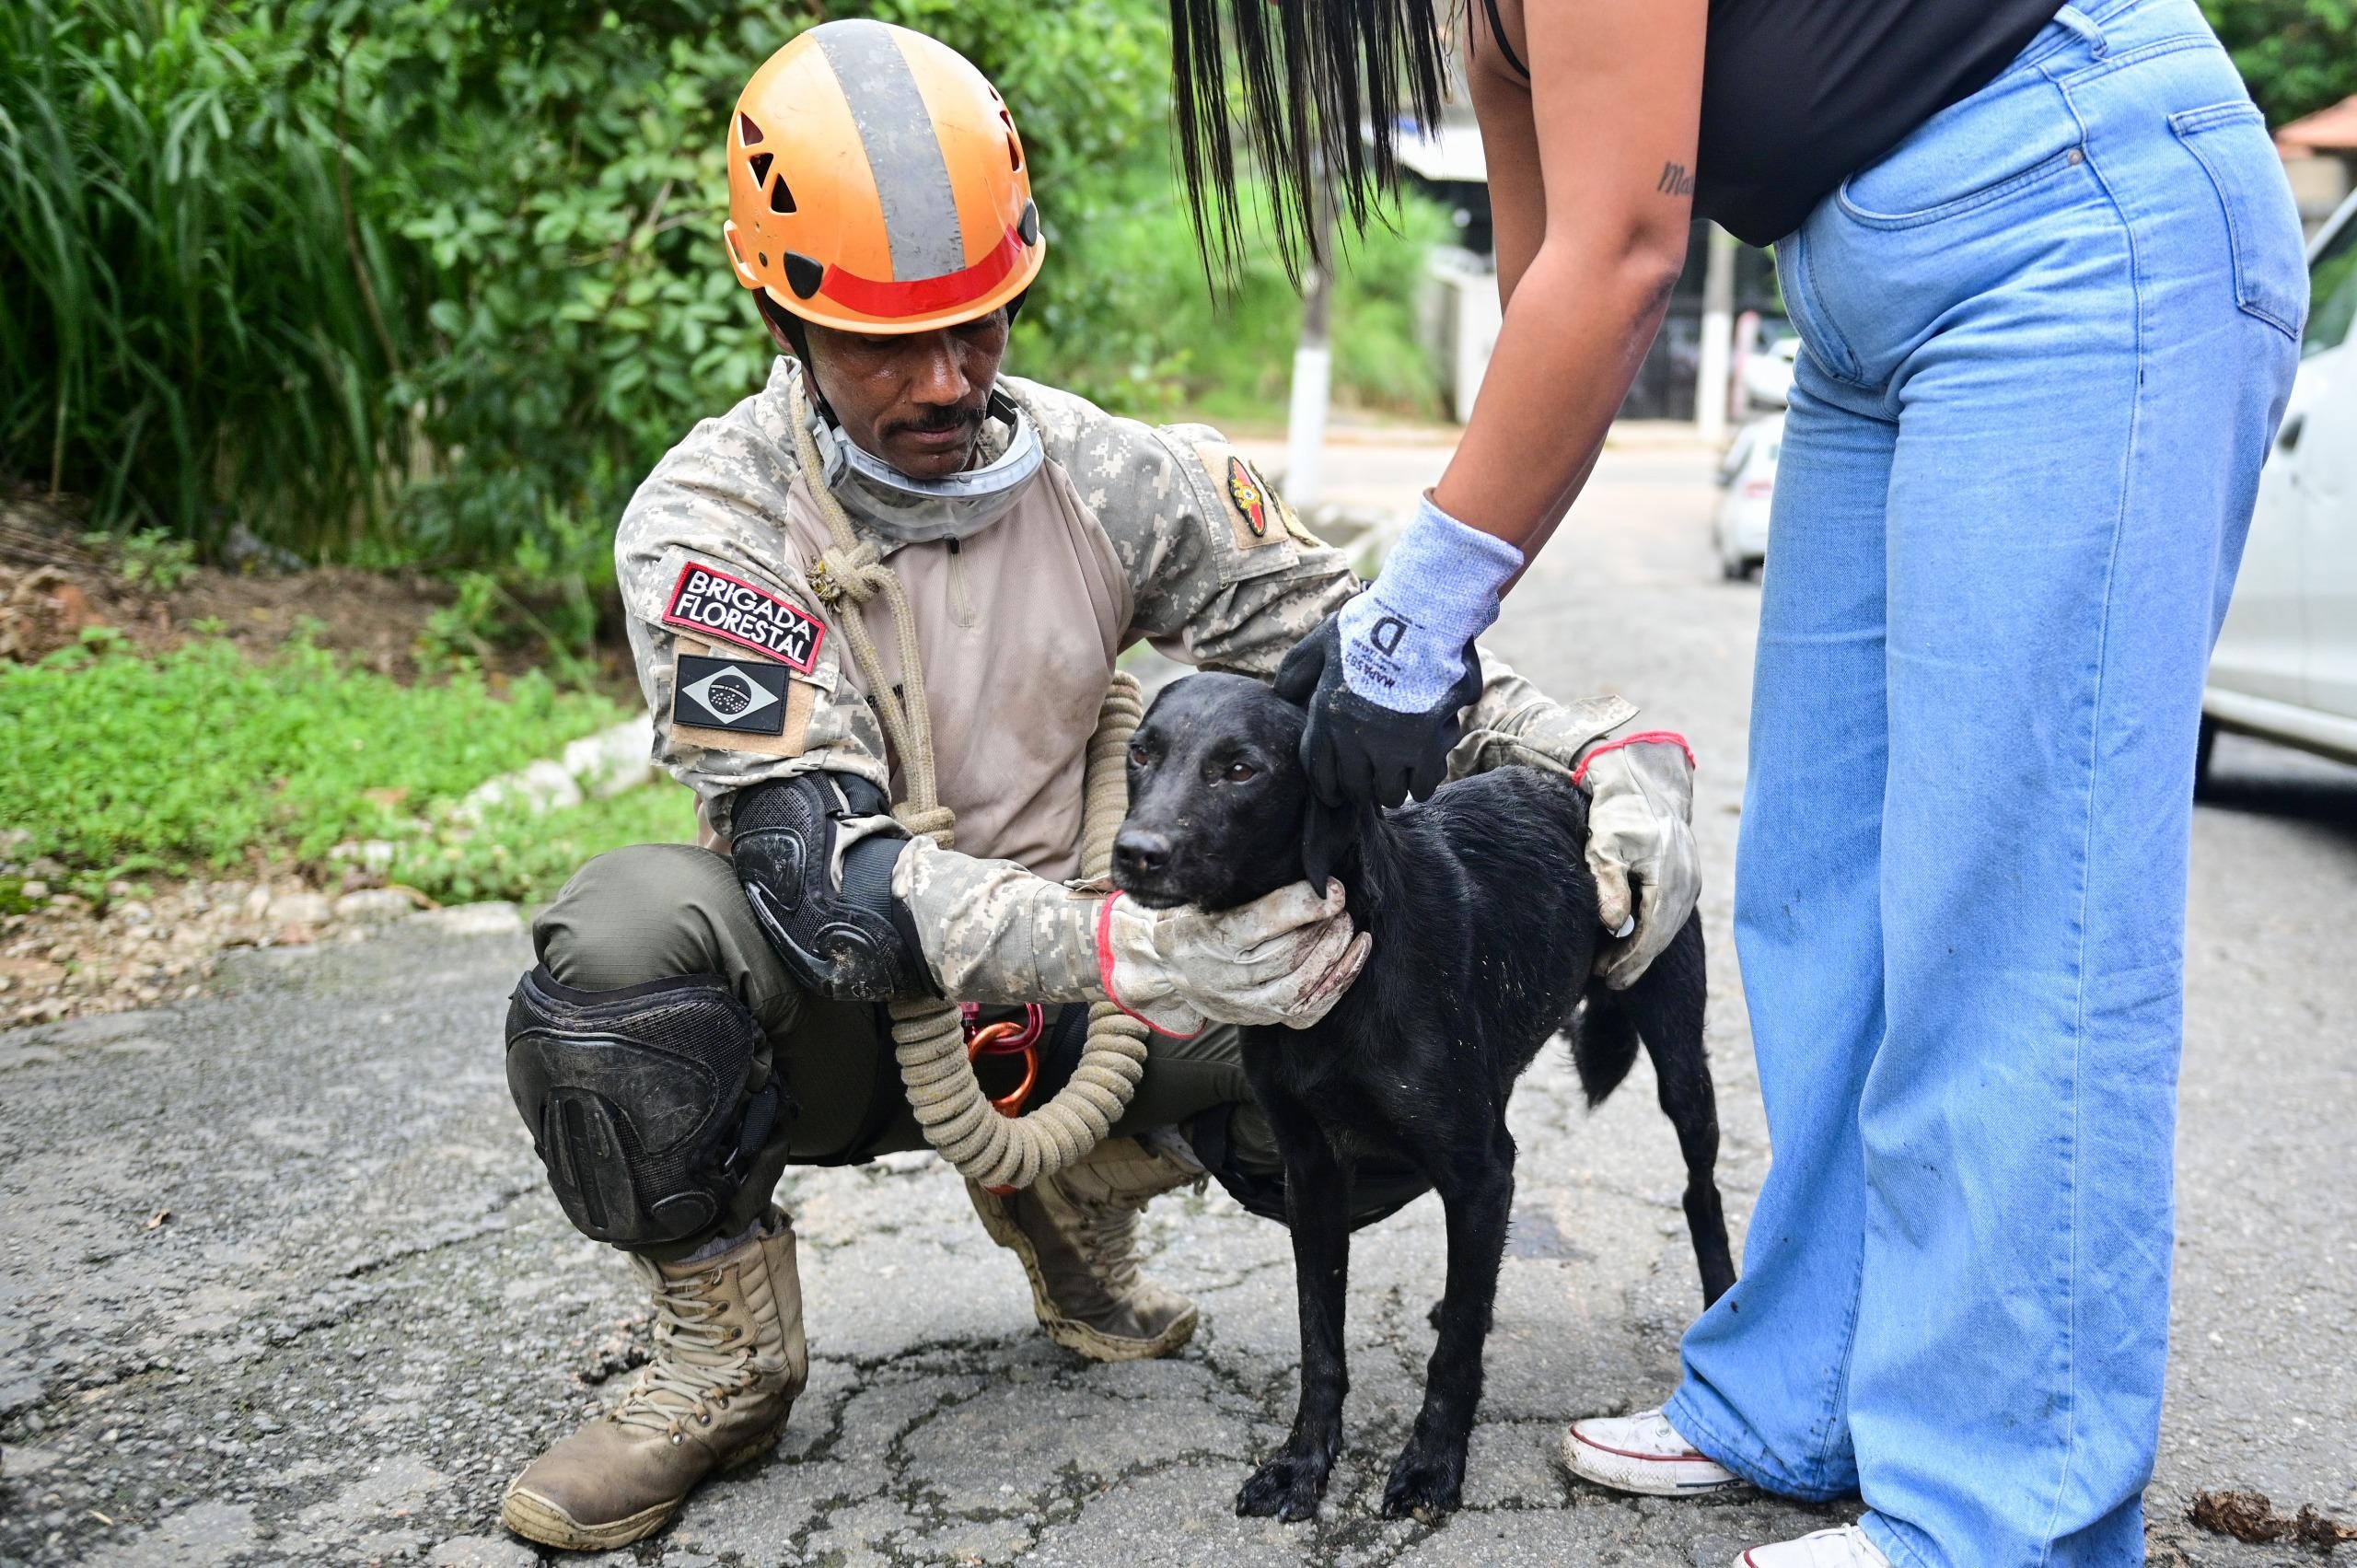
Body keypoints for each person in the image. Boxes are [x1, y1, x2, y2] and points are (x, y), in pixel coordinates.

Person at [493, 20, 1701, 1552]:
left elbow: (1360, 663)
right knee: (620, 952)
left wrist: (1589, 752)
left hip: (1104, 1011)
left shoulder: (1108, 473)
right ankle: (723, 1361)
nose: (945, 381)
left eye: (980, 325)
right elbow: (822, 892)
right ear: (779, 315)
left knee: (1387, 1021)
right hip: (869, 1009)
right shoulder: (716, 524)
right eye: (886, 343)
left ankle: (1073, 1195)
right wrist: (1136, 950)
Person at [1165, 0, 2306, 1563]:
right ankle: (1817, 1384)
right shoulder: (1483, 21)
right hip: (1857, 305)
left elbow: (1632, 253)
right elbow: (1549, 295)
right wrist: (1394, 635)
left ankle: (1997, 1512)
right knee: (1815, 897)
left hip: (2072, 224)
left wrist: (1414, 623)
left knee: (2015, 915)